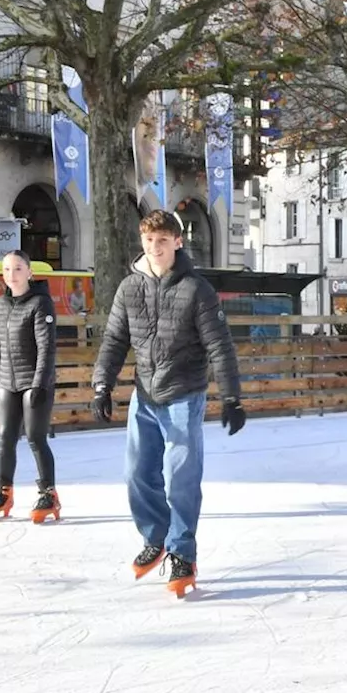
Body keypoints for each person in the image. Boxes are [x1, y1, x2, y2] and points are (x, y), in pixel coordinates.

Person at [91, 209, 246, 598]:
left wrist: (231, 396)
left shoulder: (197, 290)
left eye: (162, 241)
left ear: (178, 242)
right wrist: (101, 386)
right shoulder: (129, 288)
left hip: (184, 394)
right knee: (137, 474)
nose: (155, 247)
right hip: (144, 394)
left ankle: (181, 552)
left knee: (181, 478)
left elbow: (219, 346)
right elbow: (114, 340)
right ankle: (155, 536)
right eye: (149, 241)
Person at [0, 249, 59, 523]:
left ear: (29, 272)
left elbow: (46, 349)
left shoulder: (41, 303)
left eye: (17, 269)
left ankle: (48, 493)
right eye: (6, 270)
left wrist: (39, 384)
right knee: (5, 439)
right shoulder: (1, 305)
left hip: (35, 382)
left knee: (36, 438)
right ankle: (3, 492)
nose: (11, 275)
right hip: (6, 381)